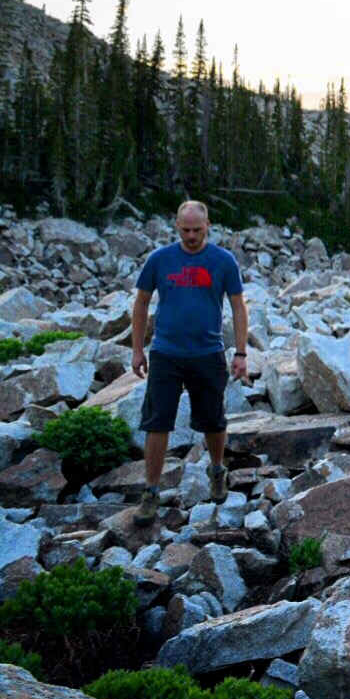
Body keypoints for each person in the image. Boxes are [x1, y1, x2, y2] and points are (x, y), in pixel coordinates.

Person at [130, 201, 248, 526]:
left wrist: (240, 352)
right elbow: (141, 303)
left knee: (213, 420)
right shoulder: (159, 259)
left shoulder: (223, 261)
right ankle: (151, 492)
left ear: (208, 225)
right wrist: (137, 349)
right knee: (157, 422)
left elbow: (238, 306)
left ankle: (217, 470)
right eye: (186, 230)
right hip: (166, 353)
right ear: (177, 227)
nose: (192, 236)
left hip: (208, 353)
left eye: (197, 229)